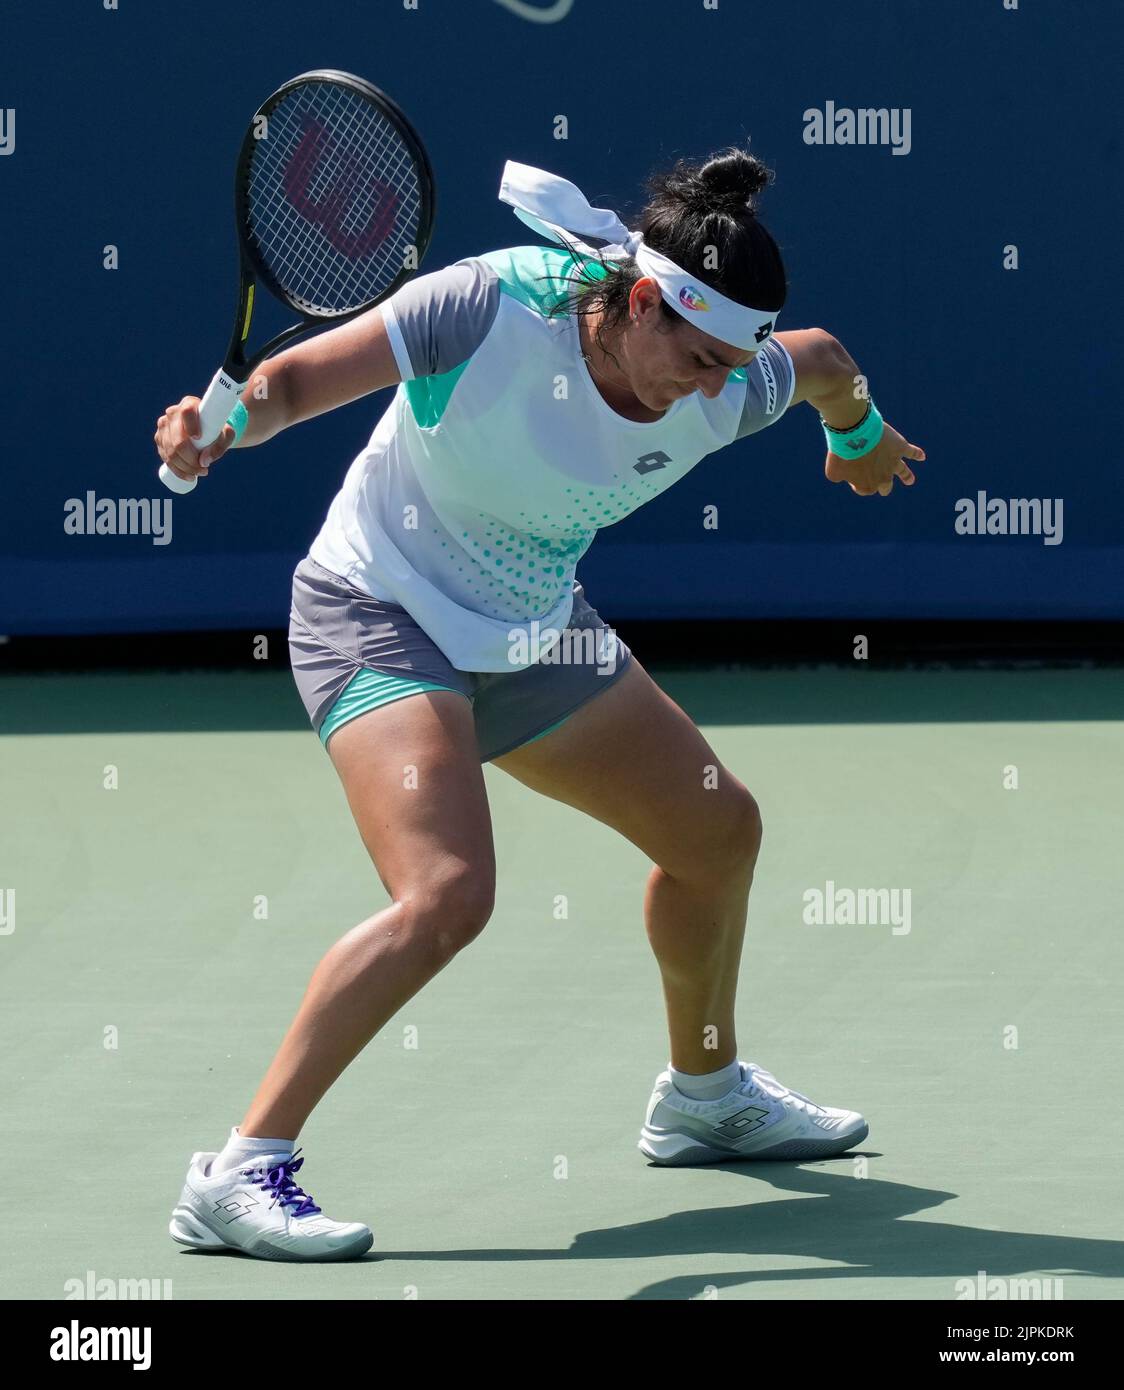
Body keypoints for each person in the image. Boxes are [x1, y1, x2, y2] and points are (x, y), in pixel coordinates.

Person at [155, 147, 925, 1262]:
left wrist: (855, 435)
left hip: (527, 625)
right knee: (446, 894)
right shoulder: (488, 306)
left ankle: (701, 1096)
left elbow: (822, 363)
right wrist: (222, 424)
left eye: (729, 366)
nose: (711, 387)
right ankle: (239, 1172)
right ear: (642, 300)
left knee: (717, 833)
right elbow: (296, 385)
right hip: (377, 608)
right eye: (699, 357)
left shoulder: (727, 380)